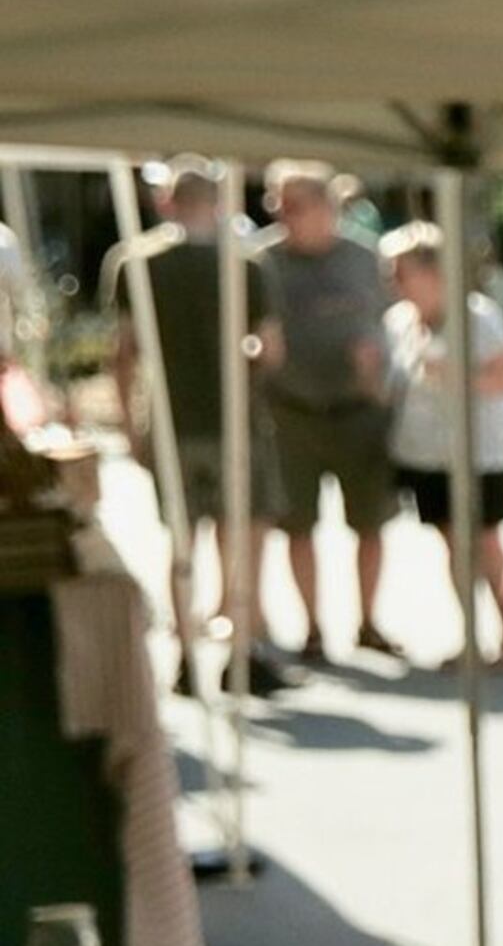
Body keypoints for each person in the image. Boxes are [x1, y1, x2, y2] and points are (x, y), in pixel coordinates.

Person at [101, 162, 290, 697]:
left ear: (167, 202)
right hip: (236, 423)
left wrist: (129, 426)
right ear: (220, 202)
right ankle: (240, 653)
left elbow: (123, 355)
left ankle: (186, 657)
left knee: (181, 547)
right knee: (241, 542)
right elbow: (271, 351)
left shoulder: (136, 263)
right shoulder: (246, 264)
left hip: (171, 423)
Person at [249, 161, 398, 660]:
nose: (283, 214)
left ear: (328, 207)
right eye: (277, 205)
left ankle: (370, 622)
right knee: (297, 525)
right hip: (291, 411)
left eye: (295, 205)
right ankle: (312, 628)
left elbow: (398, 320)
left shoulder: (367, 259)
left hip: (359, 410)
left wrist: (379, 370)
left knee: (370, 523)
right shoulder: (260, 261)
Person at [380, 226, 503, 668]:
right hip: (428, 452)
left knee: (485, 542)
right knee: (452, 542)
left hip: (484, 450)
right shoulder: (398, 322)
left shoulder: (478, 317)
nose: (394, 281)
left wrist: (455, 375)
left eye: (401, 272)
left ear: (432, 273)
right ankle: (471, 636)